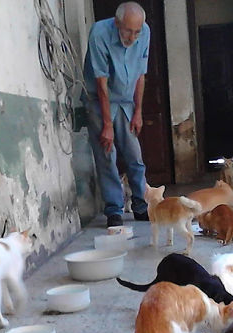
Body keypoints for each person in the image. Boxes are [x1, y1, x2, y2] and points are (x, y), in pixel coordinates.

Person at [82, 1, 150, 227]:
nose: (132, 37)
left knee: (134, 155)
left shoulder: (145, 32)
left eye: (136, 31)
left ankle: (141, 205)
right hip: (99, 100)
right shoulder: (99, 33)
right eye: (128, 31)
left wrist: (138, 111)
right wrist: (107, 124)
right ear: (117, 22)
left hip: (126, 100)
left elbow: (141, 74)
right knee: (106, 155)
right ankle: (114, 210)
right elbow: (101, 83)